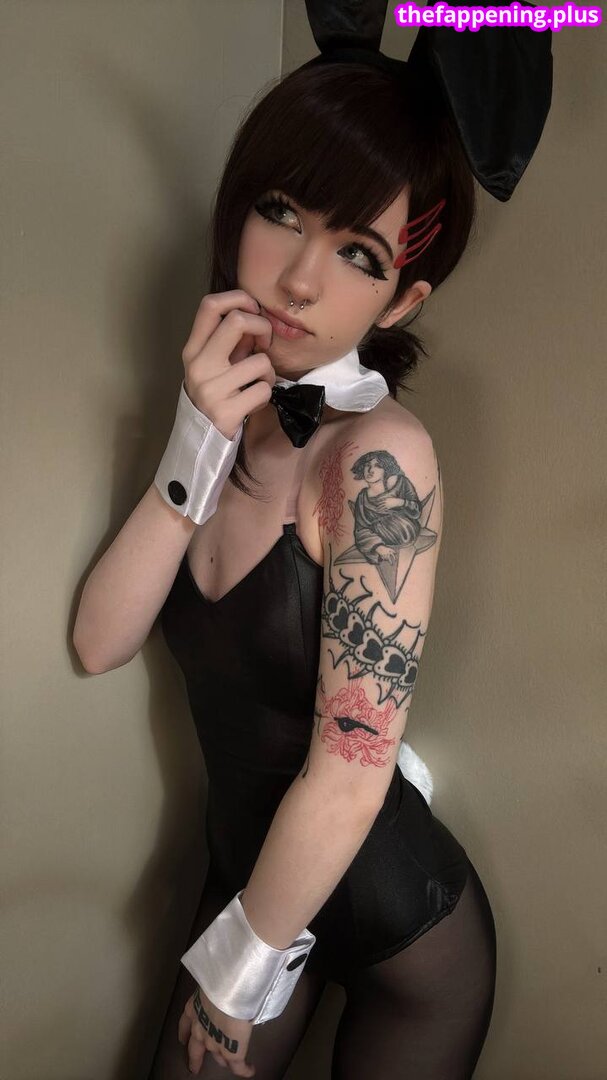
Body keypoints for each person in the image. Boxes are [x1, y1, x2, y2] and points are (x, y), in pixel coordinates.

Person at [74, 60, 502, 1079]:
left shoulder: (380, 460)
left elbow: (352, 771)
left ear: (401, 300)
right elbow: (99, 641)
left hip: (402, 930)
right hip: (249, 877)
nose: (301, 280)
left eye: (357, 252)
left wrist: (234, 978)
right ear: (235, 215)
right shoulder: (223, 419)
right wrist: (195, 436)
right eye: (280, 212)